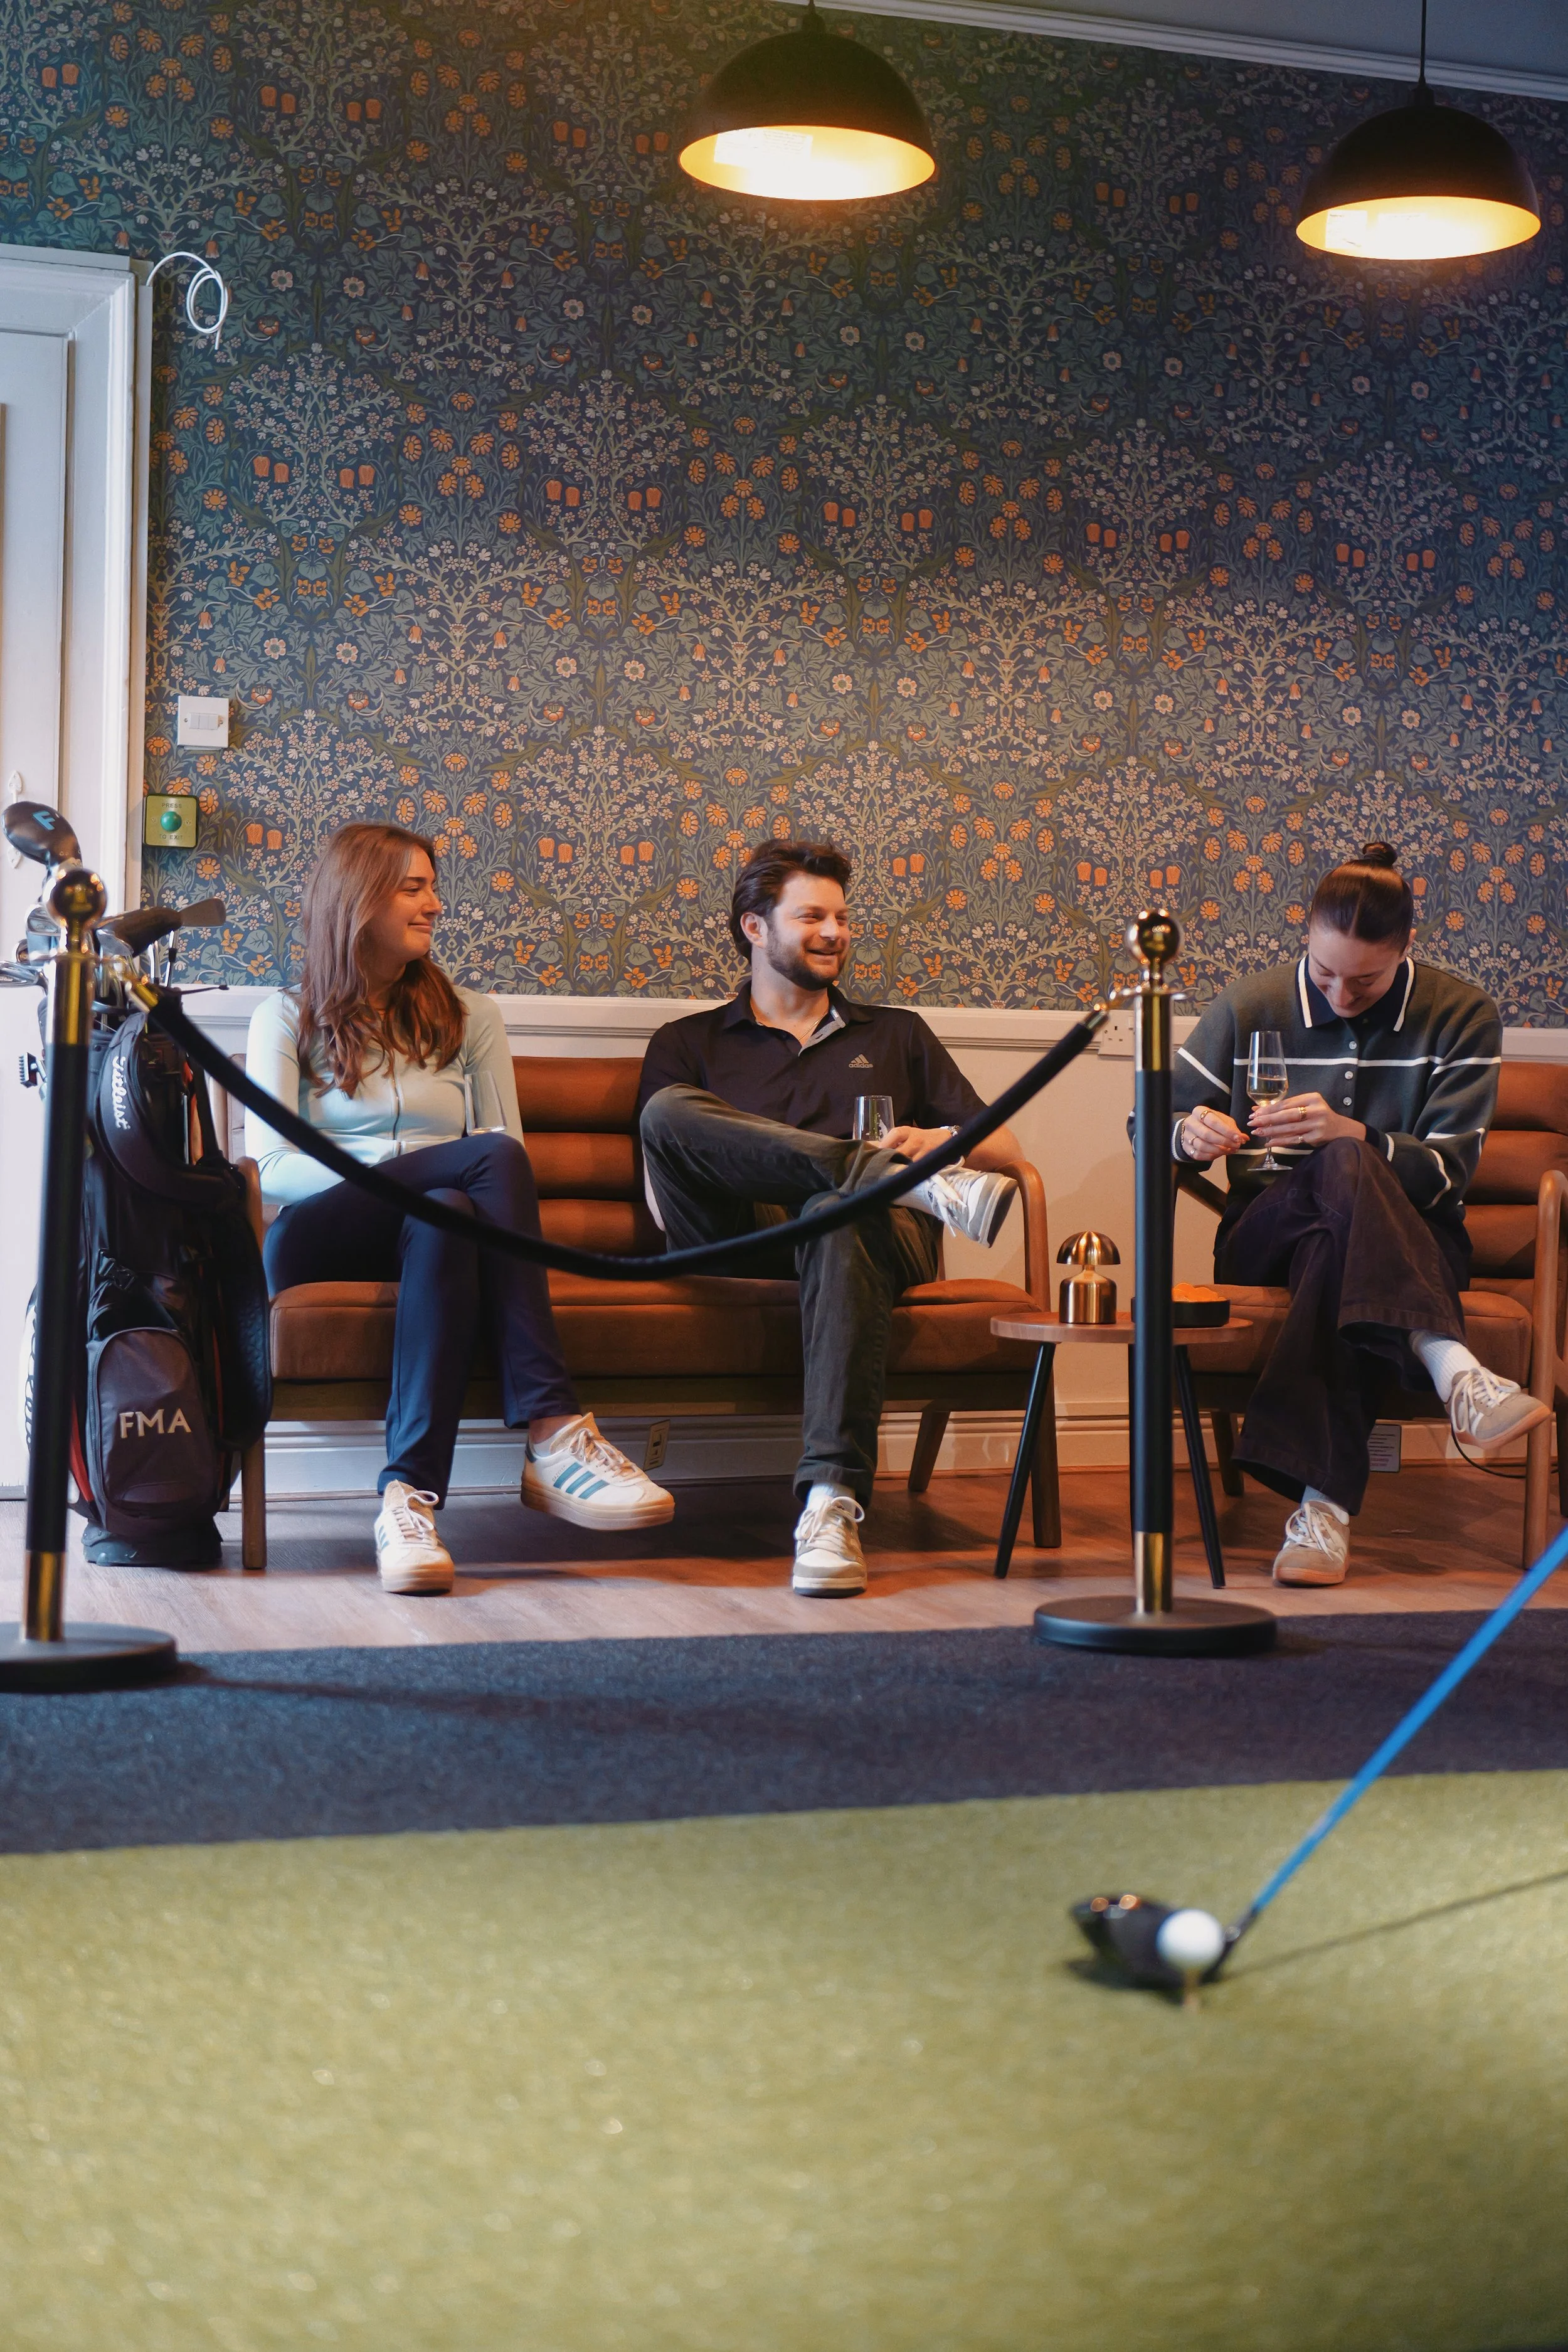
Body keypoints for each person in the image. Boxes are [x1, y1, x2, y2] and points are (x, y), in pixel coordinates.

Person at [245, 823, 672, 1595]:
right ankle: (552, 1428)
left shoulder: (471, 1017)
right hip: (319, 1236)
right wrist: (396, 1169)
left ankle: (407, 1501)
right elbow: (274, 1169)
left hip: (439, 1231)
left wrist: (425, 1183)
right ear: (360, 899)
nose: (436, 904)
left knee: (449, 1204)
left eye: (431, 887)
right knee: (471, 1172)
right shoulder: (286, 1016)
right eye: (414, 888)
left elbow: (497, 1144)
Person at [637, 840, 1024, 1599]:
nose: (835, 931)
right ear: (755, 928)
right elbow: (661, 1181)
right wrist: (883, 1168)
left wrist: (940, 1143)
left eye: (842, 916)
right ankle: (878, 1177)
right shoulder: (688, 1041)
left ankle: (830, 1502)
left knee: (838, 1212)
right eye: (811, 915)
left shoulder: (895, 1033)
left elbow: (1003, 1145)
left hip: (867, 1240)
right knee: (667, 1110)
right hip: (732, 1236)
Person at [1171, 840, 1547, 1587]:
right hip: (1262, 1234)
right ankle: (1453, 1365)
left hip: (1414, 1240)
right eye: (1324, 974)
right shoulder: (1250, 1004)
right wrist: (1187, 1133)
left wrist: (1357, 1136)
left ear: (1407, 948)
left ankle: (1322, 1513)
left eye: (1366, 982)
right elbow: (1151, 1120)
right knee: (1335, 1182)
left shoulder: (1461, 1013)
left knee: (1338, 1219)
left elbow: (1448, 1174)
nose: (1341, 996)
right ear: (1304, 937)